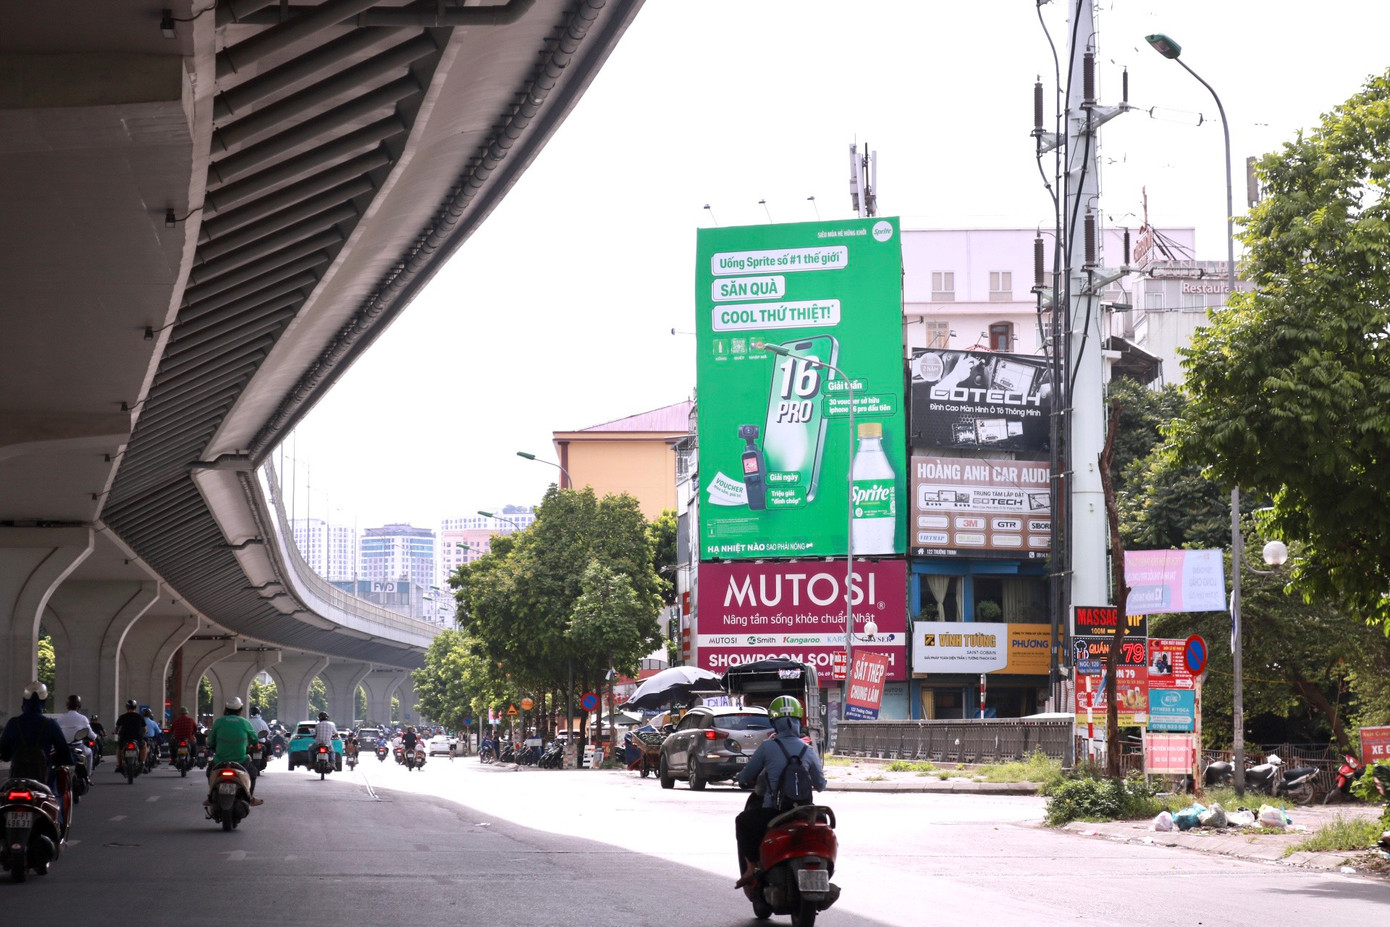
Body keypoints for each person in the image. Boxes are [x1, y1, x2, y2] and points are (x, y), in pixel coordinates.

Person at [732, 695, 827, 889]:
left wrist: (739, 778)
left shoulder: (768, 747)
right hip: (803, 811)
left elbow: (746, 775)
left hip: (774, 812)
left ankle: (751, 867)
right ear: (798, 721)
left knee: (743, 821)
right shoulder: (808, 750)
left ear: (774, 723)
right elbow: (820, 785)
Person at [0, 682, 74, 831]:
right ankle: (57, 827)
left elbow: (4, 753)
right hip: (43, 778)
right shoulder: (50, 724)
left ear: (24, 700)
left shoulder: (13, 723)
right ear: (43, 701)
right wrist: (64, 760)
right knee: (55, 799)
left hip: (17, 778)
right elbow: (64, 751)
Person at [206, 697, 261, 805]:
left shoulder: (218, 722)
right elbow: (254, 739)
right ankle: (249, 798)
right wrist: (256, 746)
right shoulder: (245, 723)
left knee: (209, 772)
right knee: (253, 773)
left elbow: (211, 741)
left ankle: (210, 797)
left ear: (226, 709)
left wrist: (212, 747)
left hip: (220, 760)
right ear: (240, 710)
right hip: (241, 760)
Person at [114, 698, 148, 767]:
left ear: (127, 707)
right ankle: (143, 762)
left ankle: (119, 764)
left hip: (124, 737)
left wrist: (115, 732)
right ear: (135, 707)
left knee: (119, 747)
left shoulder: (122, 717)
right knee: (144, 745)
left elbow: (117, 728)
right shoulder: (140, 717)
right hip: (137, 738)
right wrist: (145, 732)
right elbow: (144, 729)